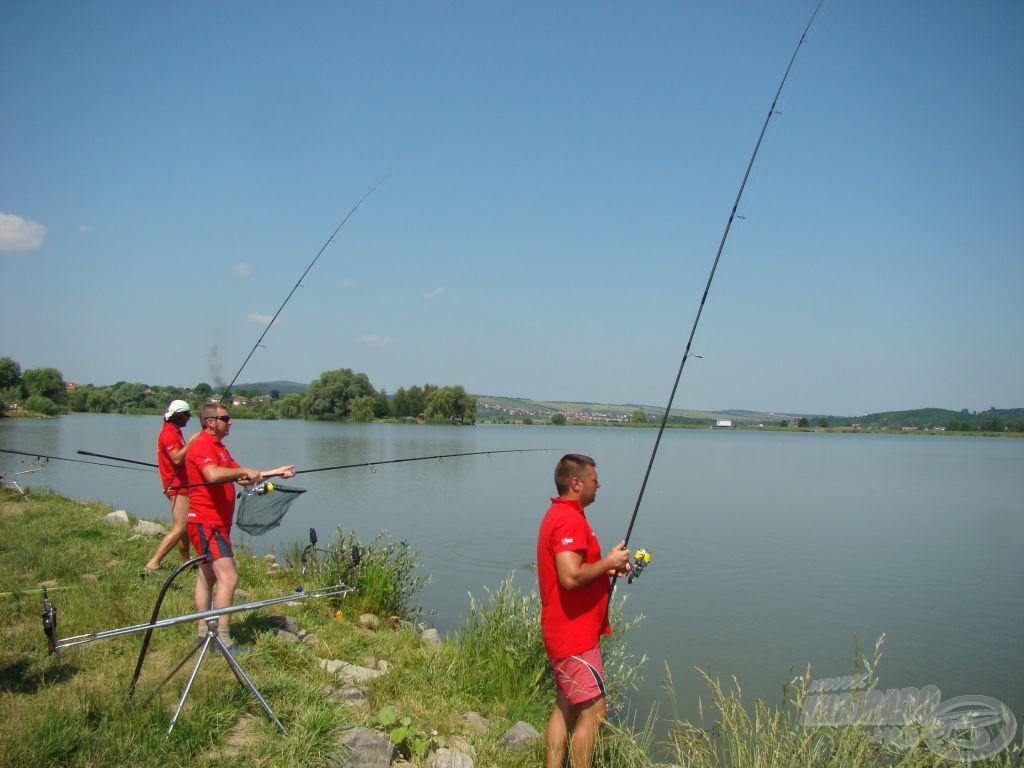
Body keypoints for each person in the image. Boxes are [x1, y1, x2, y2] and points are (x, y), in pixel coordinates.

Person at [537, 454, 631, 768]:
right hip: (573, 638)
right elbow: (570, 576)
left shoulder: (563, 514)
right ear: (576, 483)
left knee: (565, 706)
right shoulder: (568, 519)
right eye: (593, 480)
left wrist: (606, 570)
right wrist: (609, 562)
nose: (598, 484)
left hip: (565, 633)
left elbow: (577, 570)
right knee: (594, 713)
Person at [185, 402, 294, 652]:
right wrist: (243, 470)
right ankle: (222, 639)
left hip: (215, 523)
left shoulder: (219, 448)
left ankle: (203, 634)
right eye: (225, 418)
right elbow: (212, 475)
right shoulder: (202, 444)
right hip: (206, 521)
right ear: (210, 422)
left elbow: (243, 478)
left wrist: (275, 472)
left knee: (207, 575)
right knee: (229, 577)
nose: (230, 421)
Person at [143, 399, 196, 574]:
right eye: (187, 415)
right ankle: (154, 563)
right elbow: (176, 458)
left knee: (184, 526)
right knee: (180, 526)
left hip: (180, 484)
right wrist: (191, 443)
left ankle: (186, 561)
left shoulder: (174, 431)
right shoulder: (169, 434)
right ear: (178, 415)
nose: (189, 418)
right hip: (177, 485)